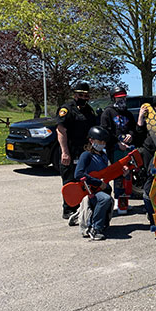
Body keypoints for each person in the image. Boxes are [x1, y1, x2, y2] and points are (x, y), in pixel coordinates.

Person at [56, 81, 98, 222]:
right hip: (70, 150)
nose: (84, 98)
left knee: (85, 180)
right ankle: (69, 210)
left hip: (85, 151)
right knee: (69, 180)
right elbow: (61, 131)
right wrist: (65, 152)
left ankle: (84, 207)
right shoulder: (67, 109)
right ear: (75, 95)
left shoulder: (89, 111)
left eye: (86, 95)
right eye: (81, 95)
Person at [100, 86, 137, 214]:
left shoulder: (127, 113)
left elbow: (133, 128)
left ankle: (124, 201)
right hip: (114, 148)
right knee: (118, 174)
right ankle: (117, 200)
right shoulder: (108, 112)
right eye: (119, 98)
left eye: (124, 97)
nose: (122, 100)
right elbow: (106, 131)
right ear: (113, 98)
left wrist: (130, 135)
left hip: (127, 148)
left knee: (127, 173)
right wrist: (117, 142)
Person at [73, 126, 114, 240]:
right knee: (104, 199)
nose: (103, 144)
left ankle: (86, 217)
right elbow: (78, 174)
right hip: (89, 189)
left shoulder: (103, 156)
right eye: (100, 141)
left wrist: (123, 172)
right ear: (91, 140)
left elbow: (106, 174)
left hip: (100, 189)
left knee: (107, 198)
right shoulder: (86, 155)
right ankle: (95, 229)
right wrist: (97, 182)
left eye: (104, 142)